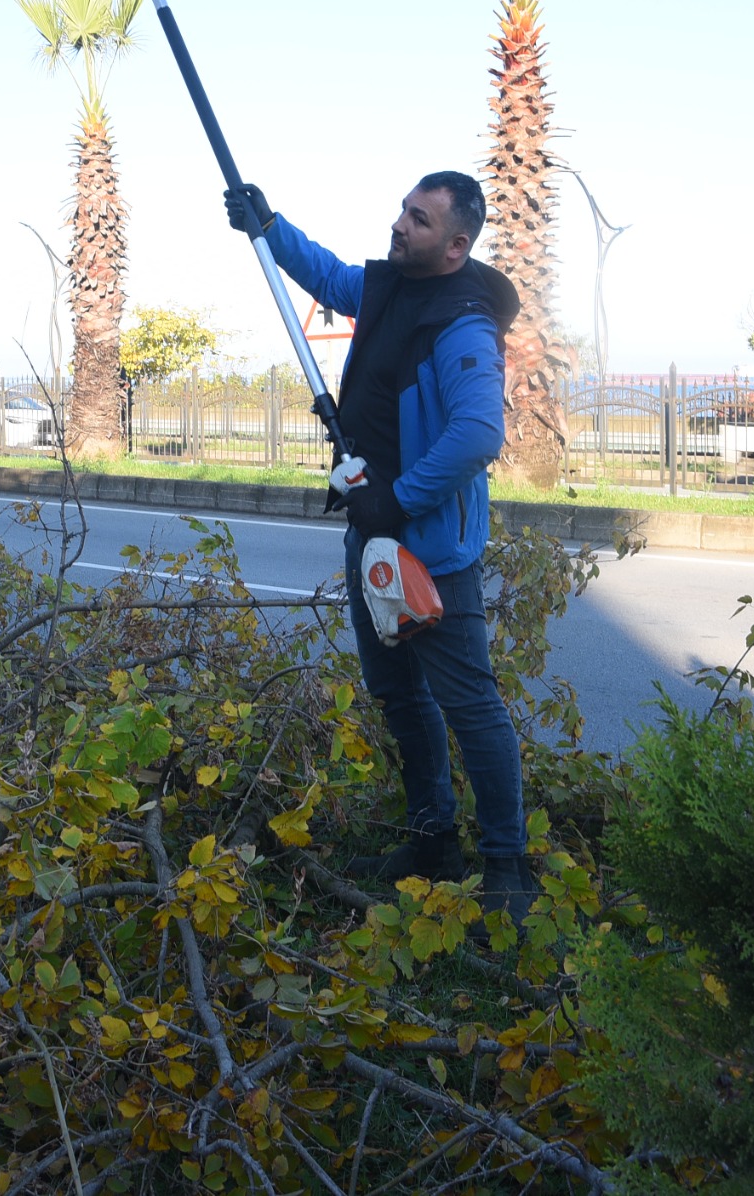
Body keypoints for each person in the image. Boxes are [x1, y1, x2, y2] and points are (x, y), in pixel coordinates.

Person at [223, 172, 531, 914]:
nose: (400, 225)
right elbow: (327, 274)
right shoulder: (391, 286)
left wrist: (398, 500)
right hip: (373, 539)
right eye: (403, 210)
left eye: (419, 220)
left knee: (471, 708)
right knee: (399, 696)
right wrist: (268, 226)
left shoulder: (462, 323)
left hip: (427, 550)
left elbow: (477, 434)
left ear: (456, 245)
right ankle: (433, 839)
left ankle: (508, 872)